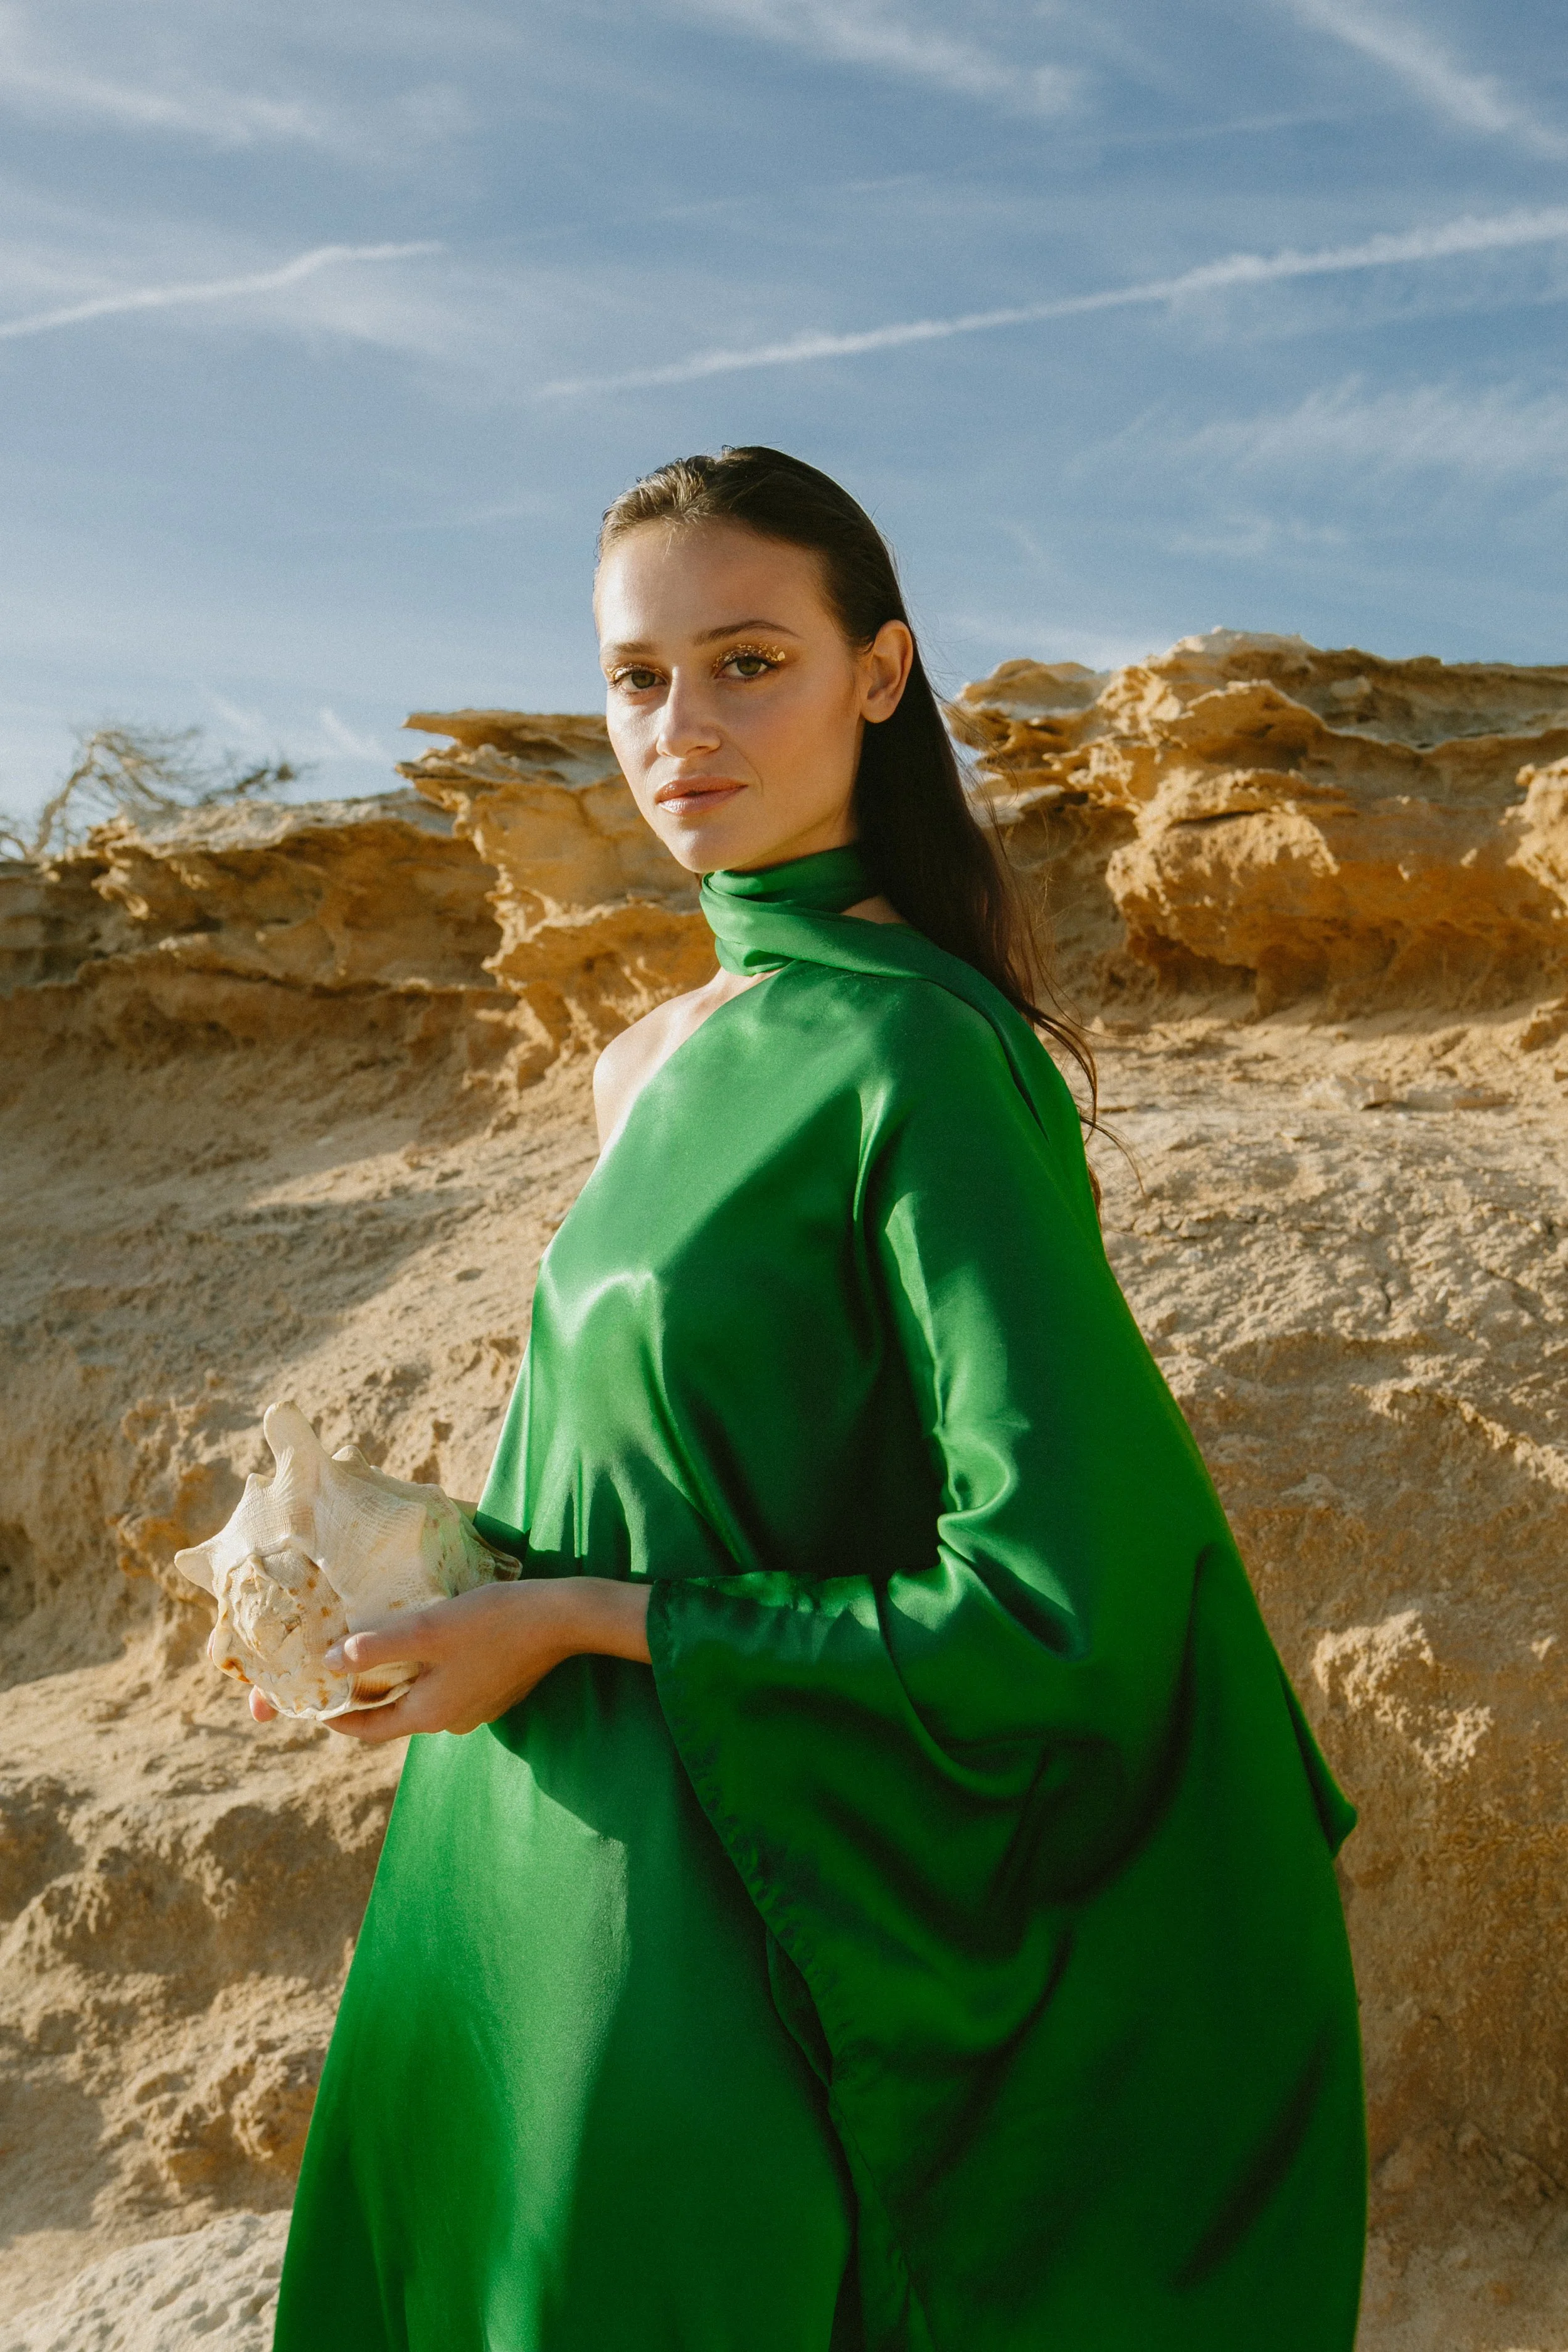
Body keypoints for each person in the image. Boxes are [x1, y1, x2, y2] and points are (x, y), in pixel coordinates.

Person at [270, 446, 1365, 2351]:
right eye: (637, 676)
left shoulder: (923, 1058)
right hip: (514, 1882)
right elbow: (695, 1469)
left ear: (880, 671)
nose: (680, 727)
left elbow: (1057, 1600)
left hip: (715, 1919)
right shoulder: (642, 1061)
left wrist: (581, 1621)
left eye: (748, 661)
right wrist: (390, 1585)